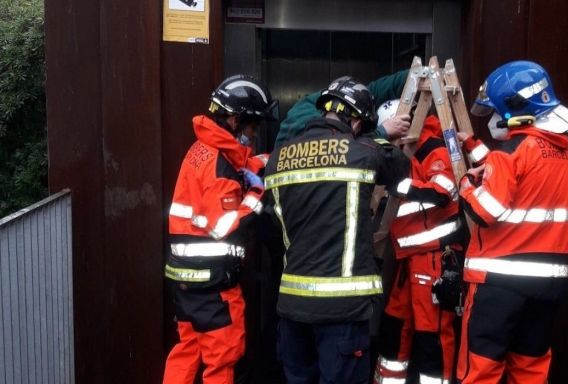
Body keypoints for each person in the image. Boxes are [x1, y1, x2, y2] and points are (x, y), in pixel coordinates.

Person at [263, 77, 410, 384]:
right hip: (342, 310)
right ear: (357, 120)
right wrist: (378, 133)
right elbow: (398, 167)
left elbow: (274, 222)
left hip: (292, 305)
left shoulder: (278, 159)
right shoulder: (362, 152)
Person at [455, 61, 568, 384]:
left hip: (499, 284)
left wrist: (466, 186)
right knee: (530, 368)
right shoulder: (565, 155)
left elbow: (487, 211)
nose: (494, 121)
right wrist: (475, 148)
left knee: (480, 370)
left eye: (496, 111)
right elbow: (520, 176)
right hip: (547, 287)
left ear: (513, 108)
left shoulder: (509, 152)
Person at [163, 75, 279, 384]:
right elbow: (226, 226)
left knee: (187, 351)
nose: (253, 136)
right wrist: (257, 195)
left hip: (187, 280)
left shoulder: (201, 150)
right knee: (221, 360)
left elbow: (227, 174)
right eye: (252, 127)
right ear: (234, 119)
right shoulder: (221, 166)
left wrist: (256, 165)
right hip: (213, 284)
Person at [373, 101, 465, 384]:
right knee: (395, 327)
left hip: (433, 256)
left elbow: (443, 190)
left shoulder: (433, 148)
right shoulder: (406, 154)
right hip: (408, 256)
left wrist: (396, 185)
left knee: (432, 334)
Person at [276, 70, 412, 146]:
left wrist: (412, 76)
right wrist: (382, 132)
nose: (358, 131)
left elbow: (371, 92)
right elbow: (340, 147)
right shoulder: (302, 122)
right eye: (359, 129)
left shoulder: (336, 104)